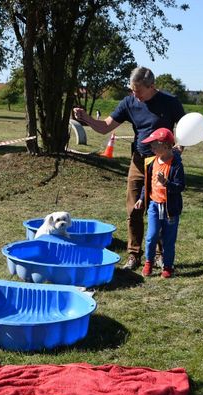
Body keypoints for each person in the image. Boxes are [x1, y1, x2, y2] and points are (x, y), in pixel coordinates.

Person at [73, 67, 185, 271]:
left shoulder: (170, 102)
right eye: (132, 90)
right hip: (138, 161)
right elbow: (105, 126)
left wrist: (179, 148)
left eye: (138, 90)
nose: (135, 95)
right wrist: (86, 118)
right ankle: (134, 254)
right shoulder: (129, 102)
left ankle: (160, 255)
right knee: (134, 209)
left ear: (151, 86)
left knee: (160, 209)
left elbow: (184, 128)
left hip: (161, 164)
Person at [133, 128, 185, 278]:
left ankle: (168, 266)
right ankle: (149, 262)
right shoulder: (151, 162)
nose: (152, 148)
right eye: (151, 145)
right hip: (154, 206)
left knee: (169, 239)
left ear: (167, 146)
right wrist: (142, 198)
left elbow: (180, 186)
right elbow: (146, 184)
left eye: (155, 145)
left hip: (170, 209)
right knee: (152, 235)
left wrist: (166, 183)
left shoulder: (176, 165)